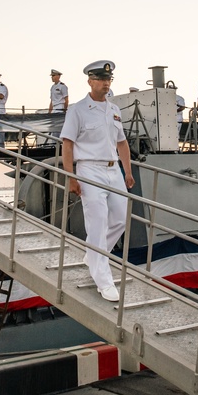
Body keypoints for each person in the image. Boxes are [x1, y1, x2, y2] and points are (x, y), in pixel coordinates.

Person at [60, 60, 134, 302]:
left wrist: (128, 171)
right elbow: (68, 144)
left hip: (114, 171)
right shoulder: (78, 110)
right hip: (89, 170)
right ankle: (103, 280)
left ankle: (93, 256)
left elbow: (121, 142)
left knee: (121, 218)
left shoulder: (114, 110)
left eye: (108, 79)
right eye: (101, 79)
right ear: (90, 81)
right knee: (98, 223)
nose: (106, 83)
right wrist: (71, 176)